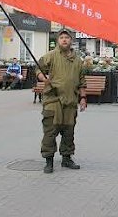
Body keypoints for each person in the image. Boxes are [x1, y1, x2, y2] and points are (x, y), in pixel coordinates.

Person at [36, 29, 86, 174]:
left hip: (70, 101)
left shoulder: (77, 60)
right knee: (50, 132)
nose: (64, 40)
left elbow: (82, 81)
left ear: (71, 41)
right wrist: (43, 78)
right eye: (61, 37)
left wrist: (83, 98)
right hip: (53, 100)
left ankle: (66, 158)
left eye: (67, 38)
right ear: (58, 40)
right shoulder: (51, 56)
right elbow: (38, 68)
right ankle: (49, 160)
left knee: (68, 132)